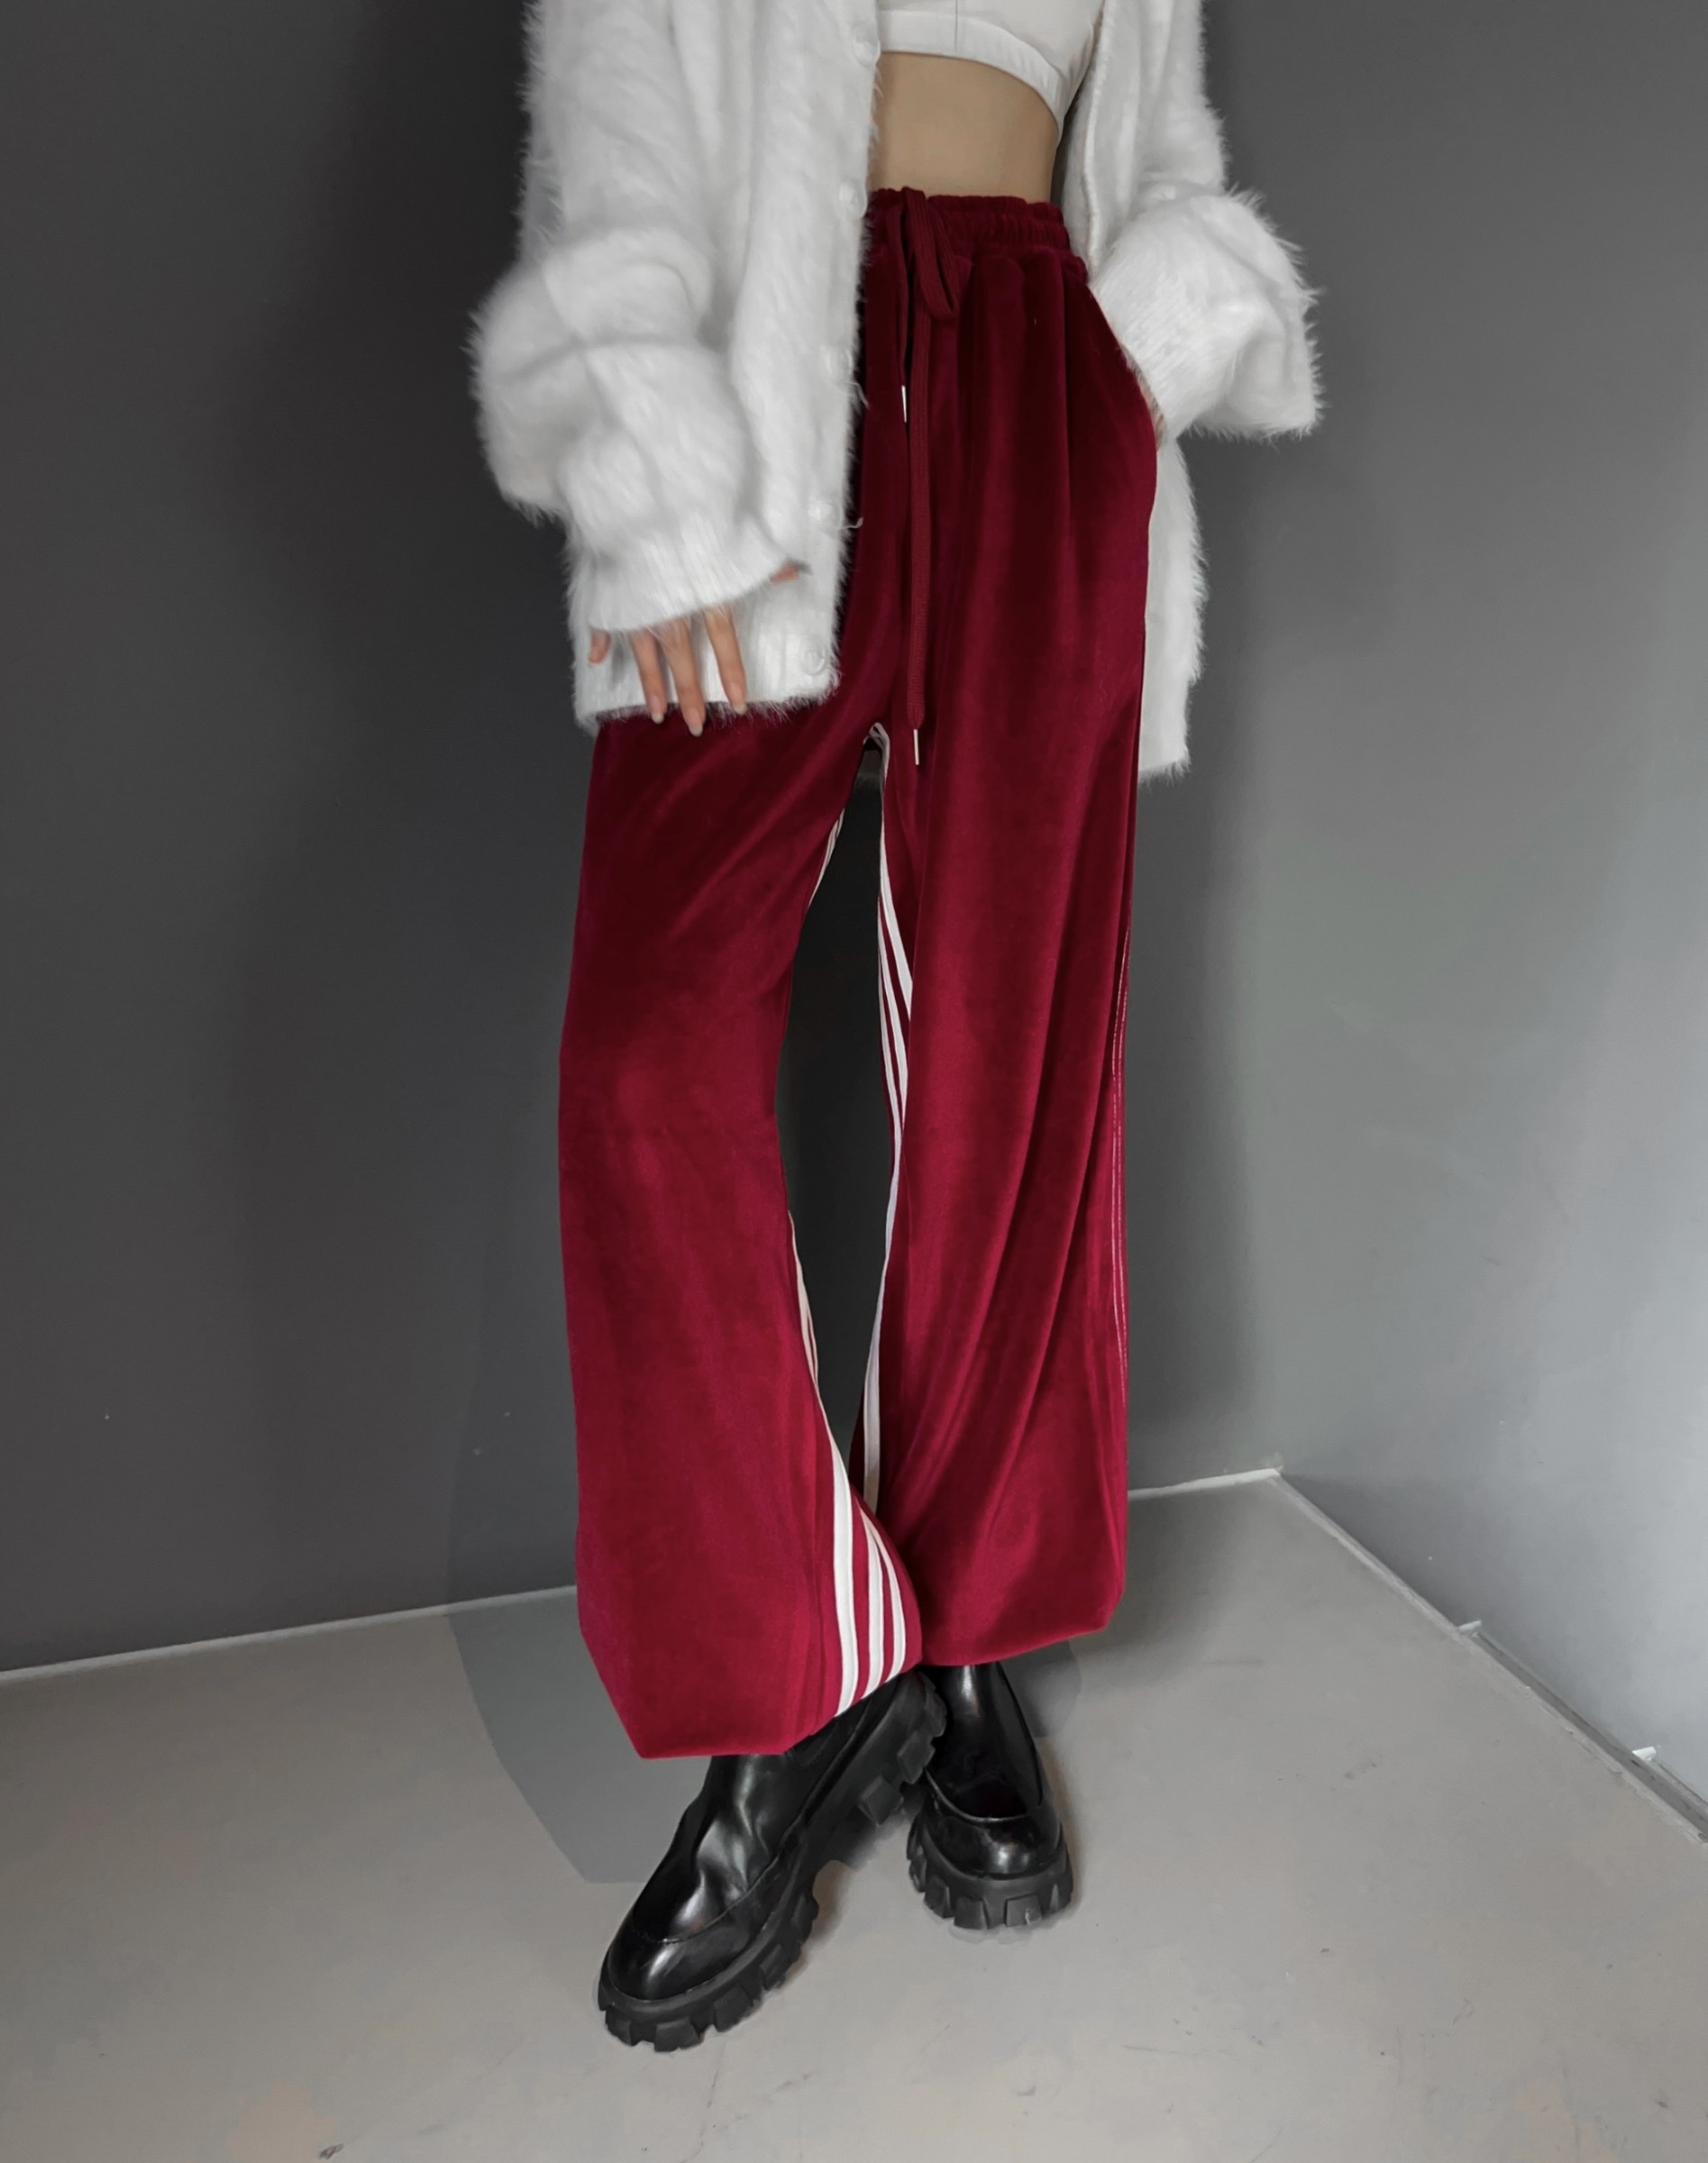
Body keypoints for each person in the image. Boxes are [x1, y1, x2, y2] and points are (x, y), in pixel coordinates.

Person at [473, 0, 1319, 2050]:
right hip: (781, 373)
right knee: (647, 1061)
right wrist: (643, 440)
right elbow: (619, 94)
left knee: (1013, 1063)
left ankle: (966, 1633)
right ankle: (796, 1676)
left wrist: (1129, 361)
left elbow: (1146, 159)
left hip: (1042, 376)